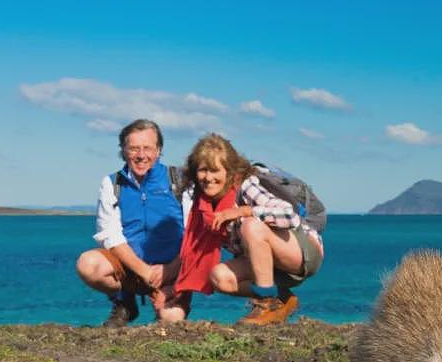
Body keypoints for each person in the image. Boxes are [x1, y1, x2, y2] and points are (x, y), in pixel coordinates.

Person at [175, 133, 323, 325]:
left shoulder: (246, 186)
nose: (208, 178)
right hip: (266, 263)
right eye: (203, 170)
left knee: (251, 226)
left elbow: (289, 215)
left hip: (301, 252)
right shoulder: (201, 205)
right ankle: (281, 300)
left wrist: (242, 211)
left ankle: (267, 305)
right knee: (219, 276)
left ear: (228, 172)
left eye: (215, 170)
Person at [76, 119, 190, 326]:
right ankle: (125, 301)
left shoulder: (180, 180)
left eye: (147, 148)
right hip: (131, 270)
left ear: (158, 150)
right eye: (134, 148)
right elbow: (109, 235)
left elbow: (194, 233)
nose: (141, 155)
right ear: (123, 150)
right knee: (89, 264)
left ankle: (164, 299)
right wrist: (144, 271)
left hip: (174, 270)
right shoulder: (112, 183)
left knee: (171, 320)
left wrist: (171, 270)